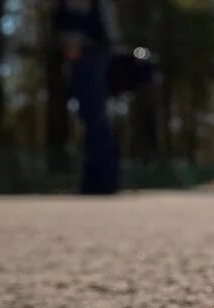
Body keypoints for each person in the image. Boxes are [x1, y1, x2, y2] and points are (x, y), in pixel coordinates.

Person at [54, 0, 121, 194]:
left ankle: (101, 180)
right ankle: (99, 179)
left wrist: (72, 42)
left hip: (88, 48)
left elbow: (77, 13)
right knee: (92, 114)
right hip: (94, 48)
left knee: (94, 115)